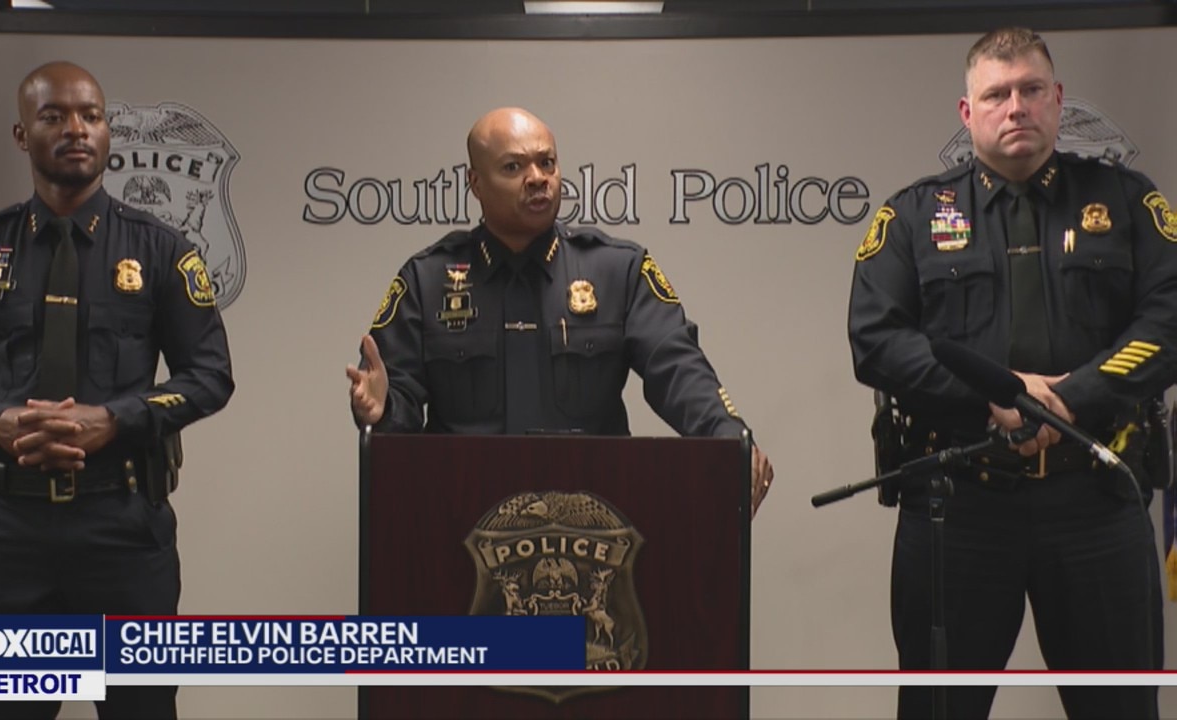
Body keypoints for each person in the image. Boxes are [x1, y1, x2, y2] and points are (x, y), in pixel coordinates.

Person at [848, 27, 1171, 719]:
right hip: (958, 506)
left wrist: (1072, 398)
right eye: (996, 94)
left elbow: (1168, 318)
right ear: (968, 113)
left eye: (1031, 90)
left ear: (1058, 100)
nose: (1015, 106)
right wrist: (995, 396)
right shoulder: (912, 216)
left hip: (1096, 500)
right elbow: (876, 340)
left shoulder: (1125, 201)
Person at [0, 61, 234, 719]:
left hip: (122, 534)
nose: (76, 129)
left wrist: (116, 419)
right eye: (54, 116)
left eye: (91, 115)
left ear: (108, 131)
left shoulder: (163, 251)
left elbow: (210, 375)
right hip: (7, 537)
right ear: (22, 135)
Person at [347, 107, 771, 513]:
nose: (537, 178)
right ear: (476, 183)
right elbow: (395, 403)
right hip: (462, 516)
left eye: (546, 162)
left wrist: (728, 436)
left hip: (596, 520)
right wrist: (384, 409)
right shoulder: (428, 279)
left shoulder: (616, 270)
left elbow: (678, 367)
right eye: (513, 167)